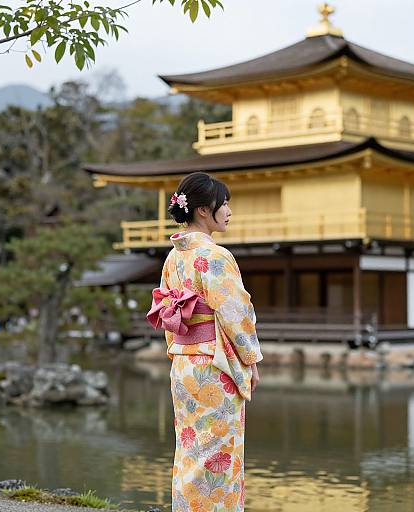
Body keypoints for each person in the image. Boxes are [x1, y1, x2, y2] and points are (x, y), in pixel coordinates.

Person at [147, 171, 263, 512]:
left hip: (183, 362)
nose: (228, 211)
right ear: (202, 210)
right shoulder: (215, 256)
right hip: (215, 365)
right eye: (223, 204)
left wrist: (178, 349)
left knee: (190, 447)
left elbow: (169, 311)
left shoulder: (173, 258)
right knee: (219, 453)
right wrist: (250, 360)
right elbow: (235, 312)